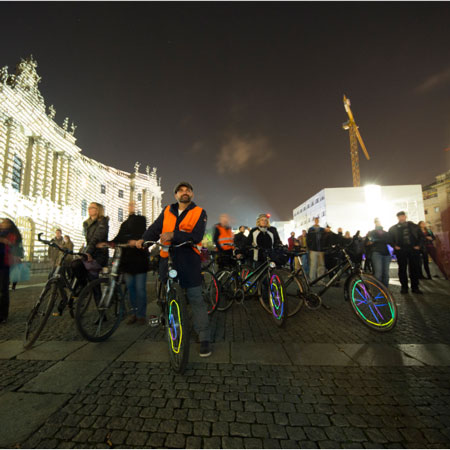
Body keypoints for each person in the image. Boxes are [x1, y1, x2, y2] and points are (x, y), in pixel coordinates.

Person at [136, 181, 212, 357]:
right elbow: (155, 228)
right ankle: (168, 319)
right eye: (180, 190)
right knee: (166, 292)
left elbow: (197, 235)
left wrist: (174, 235)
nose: (184, 193)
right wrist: (143, 239)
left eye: (188, 190)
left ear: (192, 194)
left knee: (195, 298)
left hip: (188, 259)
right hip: (167, 257)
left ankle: (204, 336)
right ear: (176, 195)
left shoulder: (199, 212)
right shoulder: (167, 210)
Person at [102, 202, 149, 325]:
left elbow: (142, 234)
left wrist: (133, 241)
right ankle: (133, 313)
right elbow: (118, 238)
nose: (131, 207)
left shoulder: (141, 220)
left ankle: (141, 315)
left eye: (133, 205)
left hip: (140, 261)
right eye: (129, 205)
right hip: (127, 261)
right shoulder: (124, 224)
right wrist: (109, 243)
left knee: (140, 289)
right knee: (130, 289)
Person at [70, 202, 109, 300]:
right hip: (89, 253)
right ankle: (83, 286)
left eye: (93, 207)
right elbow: (87, 241)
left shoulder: (103, 221)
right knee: (74, 265)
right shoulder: (86, 223)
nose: (89, 209)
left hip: (100, 255)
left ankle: (100, 310)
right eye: (89, 207)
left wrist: (87, 252)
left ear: (98, 210)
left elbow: (97, 238)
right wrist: (84, 252)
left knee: (93, 279)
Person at [388, 211, 422, 294]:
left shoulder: (414, 226)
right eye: (399, 217)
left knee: (414, 268)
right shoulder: (393, 228)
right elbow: (389, 238)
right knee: (402, 269)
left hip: (413, 249)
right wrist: (394, 246)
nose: (401, 218)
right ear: (398, 218)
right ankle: (404, 287)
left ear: (405, 216)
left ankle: (415, 287)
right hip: (401, 250)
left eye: (402, 216)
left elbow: (421, 237)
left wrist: (418, 246)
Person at [0, 218, 23, 323]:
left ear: (9, 225)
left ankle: (3, 316)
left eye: (4, 222)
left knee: (3, 290)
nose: (1, 223)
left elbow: (13, 245)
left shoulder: (13, 235)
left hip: (4, 264)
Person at [366, 218, 392, 287]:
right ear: (375, 223)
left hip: (386, 253)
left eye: (379, 221)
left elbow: (388, 240)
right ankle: (378, 289)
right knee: (378, 273)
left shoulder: (385, 232)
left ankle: (386, 290)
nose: (378, 223)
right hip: (376, 252)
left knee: (386, 273)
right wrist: (377, 240)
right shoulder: (372, 232)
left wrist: (376, 240)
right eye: (377, 222)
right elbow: (369, 241)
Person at [306, 217, 325, 283]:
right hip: (313, 249)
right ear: (314, 221)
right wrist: (309, 248)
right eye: (315, 220)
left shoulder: (322, 229)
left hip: (321, 250)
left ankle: (320, 280)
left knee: (321, 265)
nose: (316, 221)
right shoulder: (310, 229)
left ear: (318, 221)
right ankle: (312, 280)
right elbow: (308, 239)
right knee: (313, 265)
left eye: (317, 220)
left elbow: (325, 239)